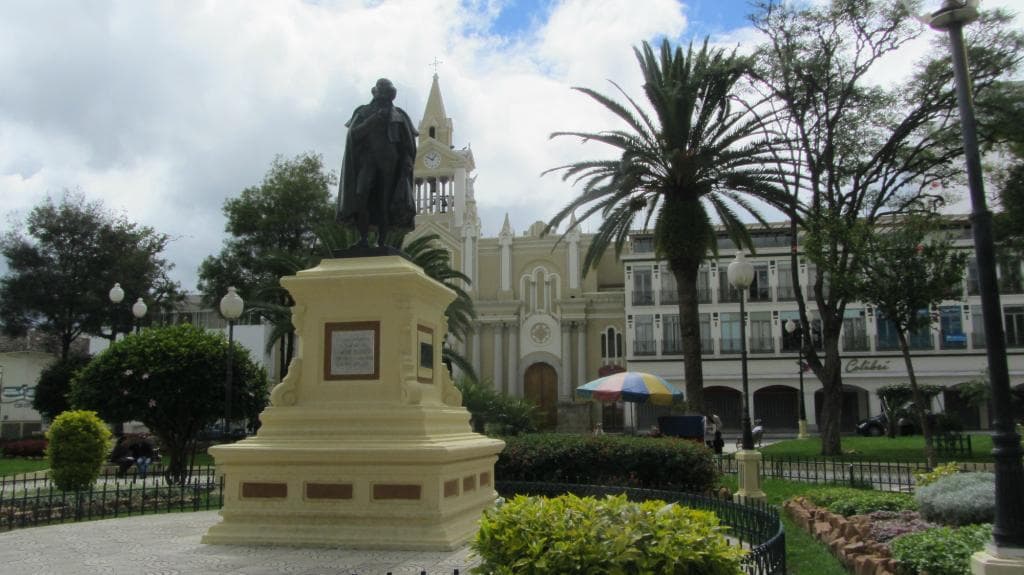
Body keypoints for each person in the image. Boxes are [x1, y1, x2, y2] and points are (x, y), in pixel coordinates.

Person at [336, 78, 418, 249]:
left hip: (390, 164)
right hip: (367, 162)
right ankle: (363, 238)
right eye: (381, 92)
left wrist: (407, 162)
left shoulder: (399, 116)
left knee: (385, 202)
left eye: (387, 93)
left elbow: (407, 144)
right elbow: (354, 135)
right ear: (374, 92)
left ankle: (381, 241)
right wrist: (371, 121)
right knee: (361, 194)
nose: (383, 96)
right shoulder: (363, 112)